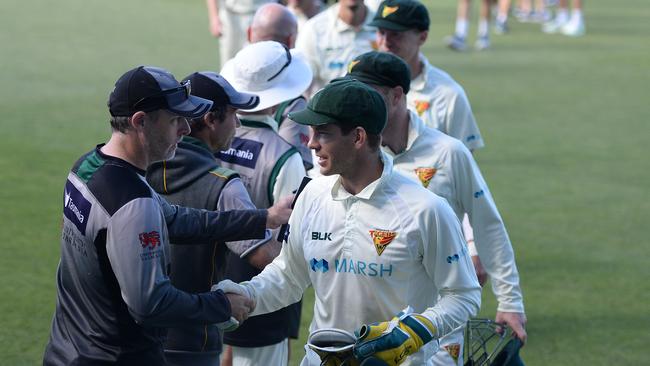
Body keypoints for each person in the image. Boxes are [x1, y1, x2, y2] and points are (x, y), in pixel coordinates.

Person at [216, 78, 482, 366]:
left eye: (323, 133)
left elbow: (463, 295)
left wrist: (415, 331)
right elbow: (288, 277)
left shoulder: (427, 209)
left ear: (358, 138)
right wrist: (247, 294)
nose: (312, 143)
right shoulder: (311, 195)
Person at [42, 65, 293, 365]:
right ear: (141, 122)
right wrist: (221, 306)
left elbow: (177, 219)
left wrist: (263, 218)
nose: (186, 130)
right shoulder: (133, 203)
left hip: (66, 349)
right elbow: (151, 304)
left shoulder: (86, 168)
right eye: (176, 120)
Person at [347, 51, 527, 365]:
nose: (357, 105)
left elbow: (487, 225)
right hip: (365, 329)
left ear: (397, 95)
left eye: (367, 95)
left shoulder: (449, 153)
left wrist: (510, 301)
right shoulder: (352, 155)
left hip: (437, 331)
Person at [145, 71, 284, 366]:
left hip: (137, 337)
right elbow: (266, 257)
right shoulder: (224, 185)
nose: (238, 123)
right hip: (194, 343)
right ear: (210, 120)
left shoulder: (137, 167)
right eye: (233, 114)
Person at [217, 40, 311, 366]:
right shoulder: (286, 158)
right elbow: (285, 250)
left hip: (199, 290)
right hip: (260, 297)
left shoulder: (207, 139)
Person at [371, 0, 485, 152]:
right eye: (381, 32)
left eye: (395, 34)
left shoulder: (448, 94)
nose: (385, 42)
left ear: (422, 37)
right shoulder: (361, 86)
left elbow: (463, 157)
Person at [248, 3, 314, 170]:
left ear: (249, 33)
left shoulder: (226, 82)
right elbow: (297, 166)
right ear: (291, 40)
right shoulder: (294, 102)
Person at [295, 0, 377, 96]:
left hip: (373, 106)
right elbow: (302, 85)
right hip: (327, 107)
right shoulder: (313, 30)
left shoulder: (384, 29)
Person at [206, 0, 274, 67]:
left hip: (267, 16)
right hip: (232, 15)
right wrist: (214, 17)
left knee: (266, 63)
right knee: (229, 65)